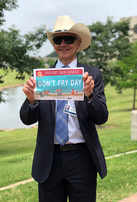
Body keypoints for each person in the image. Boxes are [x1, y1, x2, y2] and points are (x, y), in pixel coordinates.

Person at [20, 15, 108, 202]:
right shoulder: (42, 77)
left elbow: (101, 117)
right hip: (49, 161)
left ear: (78, 42)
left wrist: (90, 95)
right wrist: (31, 100)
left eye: (69, 39)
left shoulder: (92, 75)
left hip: (82, 159)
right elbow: (27, 119)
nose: (63, 44)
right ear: (53, 44)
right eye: (58, 39)